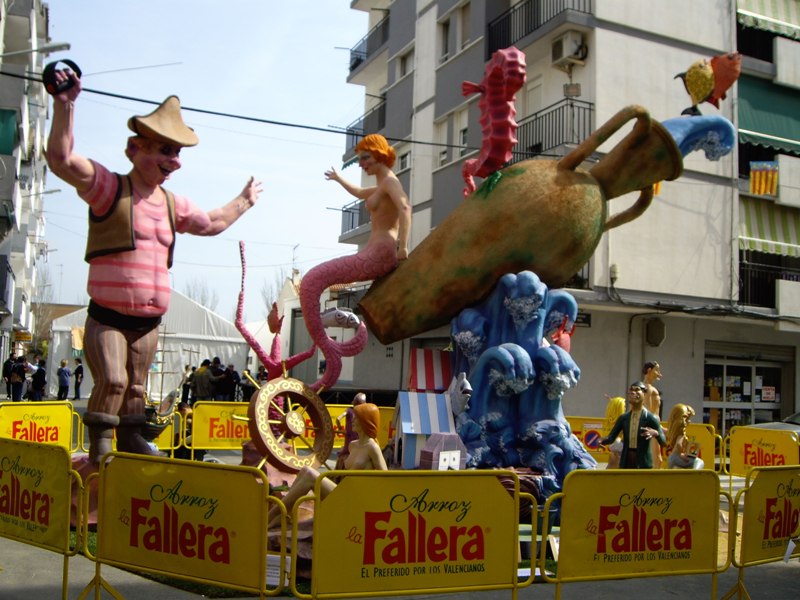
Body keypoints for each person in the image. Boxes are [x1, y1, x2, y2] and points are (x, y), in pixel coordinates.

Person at [45, 68, 261, 464]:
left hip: (148, 321)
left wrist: (244, 201)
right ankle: (101, 455)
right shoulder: (109, 187)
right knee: (112, 380)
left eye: (176, 153)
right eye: (164, 150)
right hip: (107, 316)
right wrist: (65, 104)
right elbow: (60, 160)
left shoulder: (172, 204)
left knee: (136, 390)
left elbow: (212, 222)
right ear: (134, 149)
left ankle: (128, 445)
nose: (172, 161)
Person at [299, 134, 411, 391]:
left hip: (380, 254)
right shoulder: (381, 186)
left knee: (313, 280)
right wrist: (339, 179)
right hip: (375, 251)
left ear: (380, 155)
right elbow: (360, 192)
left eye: (365, 157)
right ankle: (330, 351)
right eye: (360, 158)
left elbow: (405, 209)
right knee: (312, 282)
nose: (361, 163)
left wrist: (403, 246)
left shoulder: (391, 183)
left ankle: (329, 355)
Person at [269, 402, 387, 527]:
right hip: (344, 491)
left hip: (356, 499)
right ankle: (284, 514)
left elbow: (385, 477)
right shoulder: (353, 445)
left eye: (356, 418)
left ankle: (272, 515)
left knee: (310, 474)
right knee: (305, 470)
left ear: (365, 421)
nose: (352, 420)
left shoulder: (372, 447)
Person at [599, 381, 666, 469]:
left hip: (643, 461)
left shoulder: (650, 418)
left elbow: (663, 441)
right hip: (626, 459)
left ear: (644, 394)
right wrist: (602, 441)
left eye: (637, 390)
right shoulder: (623, 418)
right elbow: (611, 437)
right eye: (631, 390)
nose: (633, 393)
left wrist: (656, 433)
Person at [334, 392, 367, 470]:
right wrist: (342, 430)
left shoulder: (351, 411)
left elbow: (338, 419)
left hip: (352, 437)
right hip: (354, 438)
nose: (353, 421)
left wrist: (341, 429)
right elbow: (338, 419)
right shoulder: (359, 412)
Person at [666, 404, 704, 469]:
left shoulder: (674, 432)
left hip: (671, 458)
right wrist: (681, 455)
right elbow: (679, 444)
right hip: (676, 458)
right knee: (699, 462)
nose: (689, 421)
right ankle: (694, 474)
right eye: (687, 419)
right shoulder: (681, 433)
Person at [642, 361, 664, 468]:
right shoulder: (648, 388)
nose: (659, 373)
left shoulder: (648, 387)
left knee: (657, 459)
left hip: (654, 426)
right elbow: (647, 411)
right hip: (652, 428)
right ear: (649, 371)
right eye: (657, 370)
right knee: (657, 459)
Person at [602, 395, 626, 469]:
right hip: (618, 446)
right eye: (624, 406)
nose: (625, 408)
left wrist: (612, 402)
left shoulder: (612, 421)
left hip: (615, 445)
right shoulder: (623, 421)